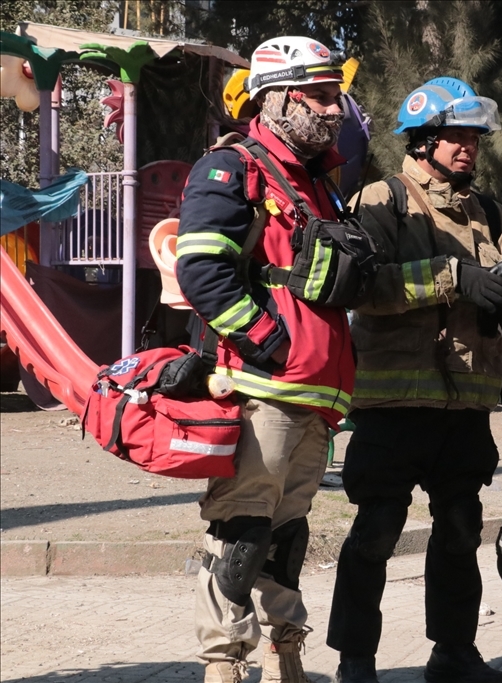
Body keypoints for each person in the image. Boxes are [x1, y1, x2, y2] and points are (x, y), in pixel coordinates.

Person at [326, 77, 502, 683]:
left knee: (459, 532)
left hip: (465, 408)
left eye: (475, 137)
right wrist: (453, 277)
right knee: (376, 532)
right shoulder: (383, 199)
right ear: (423, 139)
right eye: (457, 136)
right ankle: (356, 660)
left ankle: (453, 654)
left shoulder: (488, 211)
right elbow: (363, 288)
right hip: (392, 407)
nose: (469, 147)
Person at [176, 36, 357, 683]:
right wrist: (270, 345)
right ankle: (223, 665)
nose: (335, 109)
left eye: (337, 96)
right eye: (321, 96)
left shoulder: (319, 181)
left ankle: (288, 655)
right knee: (240, 534)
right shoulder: (233, 167)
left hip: (317, 397)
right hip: (263, 390)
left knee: (286, 536)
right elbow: (201, 270)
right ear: (277, 99)